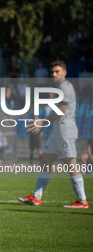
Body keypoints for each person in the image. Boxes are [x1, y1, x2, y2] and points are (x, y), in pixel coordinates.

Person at [18, 60, 89, 209]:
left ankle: (82, 201)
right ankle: (36, 197)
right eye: (52, 72)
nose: (54, 74)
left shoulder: (64, 86)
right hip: (58, 131)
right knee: (46, 161)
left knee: (71, 165)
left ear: (64, 72)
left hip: (65, 131)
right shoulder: (61, 87)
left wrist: (41, 122)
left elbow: (61, 111)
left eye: (57, 71)